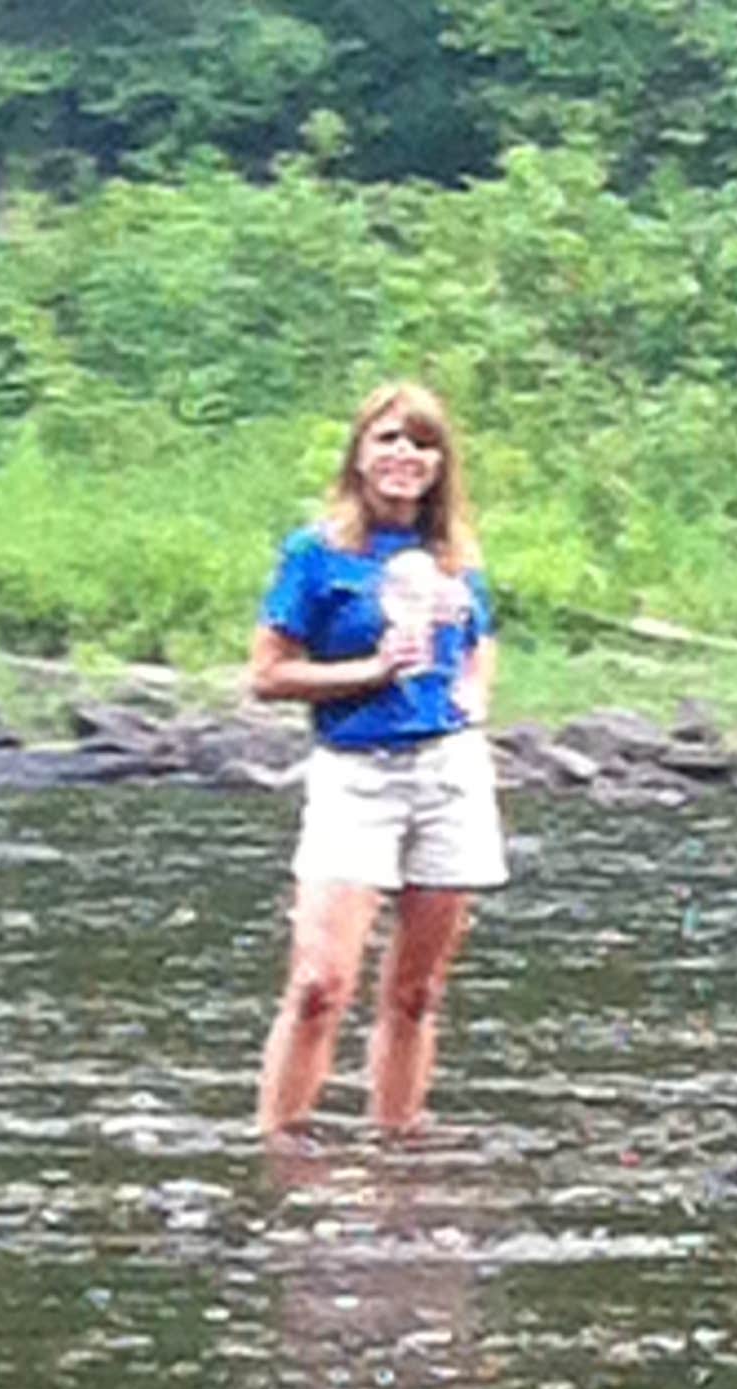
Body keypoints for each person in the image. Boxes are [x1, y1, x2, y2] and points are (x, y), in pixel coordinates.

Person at [252, 380, 504, 1138]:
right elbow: (266, 675)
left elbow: (481, 638)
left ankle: (397, 1148)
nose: (405, 455)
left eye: (422, 443)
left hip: (448, 775)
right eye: (389, 438)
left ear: (440, 464)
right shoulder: (317, 553)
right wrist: (367, 672)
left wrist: (474, 694)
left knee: (418, 992)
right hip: (355, 773)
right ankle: (278, 1149)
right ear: (359, 453)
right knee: (320, 984)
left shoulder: (454, 554)